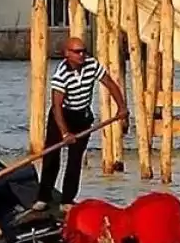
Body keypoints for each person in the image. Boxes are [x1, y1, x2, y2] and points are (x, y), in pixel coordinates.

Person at [38, 36, 128, 206]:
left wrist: (121, 107)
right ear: (67, 54)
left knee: (75, 159)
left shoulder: (92, 65)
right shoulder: (60, 75)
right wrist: (65, 133)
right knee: (51, 156)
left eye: (83, 51)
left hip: (82, 117)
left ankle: (67, 199)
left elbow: (110, 84)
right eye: (77, 52)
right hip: (62, 115)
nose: (81, 55)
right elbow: (56, 106)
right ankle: (43, 197)